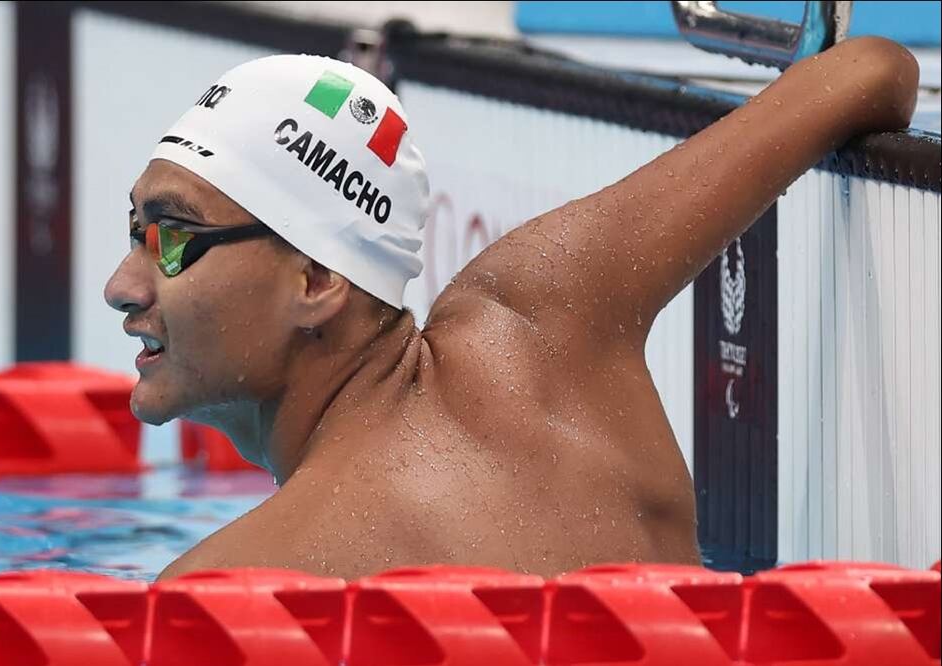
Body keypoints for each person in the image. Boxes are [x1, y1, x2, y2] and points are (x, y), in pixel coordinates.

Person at [104, 36, 919, 580]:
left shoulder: (229, 594)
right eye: (135, 231)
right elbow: (871, 71)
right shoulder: (549, 316)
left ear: (318, 280)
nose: (122, 284)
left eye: (173, 237)